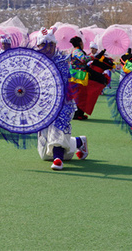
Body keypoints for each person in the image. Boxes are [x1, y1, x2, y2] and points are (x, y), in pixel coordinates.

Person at [34, 29, 88, 170]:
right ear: (38, 46)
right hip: (43, 105)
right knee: (45, 154)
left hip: (62, 102)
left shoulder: (62, 61)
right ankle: (78, 142)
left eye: (51, 44)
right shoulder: (34, 63)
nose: (48, 47)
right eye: (44, 44)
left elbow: (64, 83)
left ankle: (58, 160)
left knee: (57, 130)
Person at [70, 36, 91, 120]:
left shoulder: (76, 51)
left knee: (79, 94)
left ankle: (79, 113)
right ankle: (77, 114)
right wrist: (92, 57)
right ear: (80, 43)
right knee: (79, 95)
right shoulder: (77, 51)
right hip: (78, 75)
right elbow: (83, 59)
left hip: (78, 74)